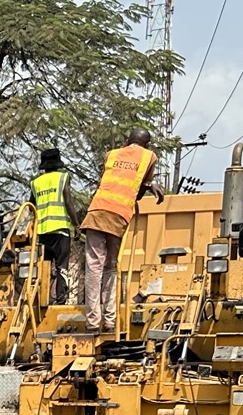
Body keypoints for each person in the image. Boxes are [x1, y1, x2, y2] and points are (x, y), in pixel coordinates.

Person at [79, 129, 163, 332]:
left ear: (127, 141)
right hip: (119, 215)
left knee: (94, 267)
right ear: (147, 144)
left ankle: (92, 322)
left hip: (97, 211)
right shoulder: (149, 157)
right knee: (110, 267)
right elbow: (139, 192)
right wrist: (150, 185)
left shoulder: (112, 154)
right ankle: (109, 320)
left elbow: (107, 180)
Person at [32, 148, 74, 305]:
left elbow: (31, 205)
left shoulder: (35, 183)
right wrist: (76, 225)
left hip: (42, 232)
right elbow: (68, 202)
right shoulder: (63, 178)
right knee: (62, 267)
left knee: (43, 267)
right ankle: (61, 300)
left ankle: (42, 300)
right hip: (60, 229)